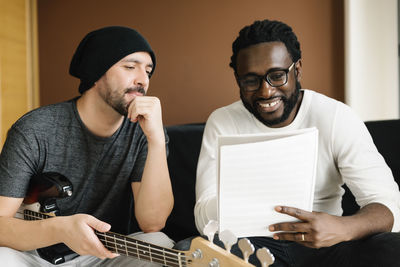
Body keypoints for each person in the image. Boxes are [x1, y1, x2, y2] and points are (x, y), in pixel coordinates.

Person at [194, 19, 400, 267]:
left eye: (277, 76)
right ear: (237, 78)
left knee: (393, 249)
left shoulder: (335, 117)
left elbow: (388, 206)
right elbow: (203, 219)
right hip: (251, 245)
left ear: (297, 69)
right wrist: (241, 188)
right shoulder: (223, 121)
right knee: (192, 252)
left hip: (326, 244)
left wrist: (343, 228)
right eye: (250, 80)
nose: (265, 92)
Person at [0, 26, 174, 266]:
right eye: (130, 67)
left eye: (148, 70)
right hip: (35, 255)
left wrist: (155, 140)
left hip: (105, 255)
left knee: (160, 242)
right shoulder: (35, 129)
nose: (143, 80)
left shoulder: (144, 130)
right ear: (96, 71)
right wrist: (60, 229)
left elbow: (152, 223)